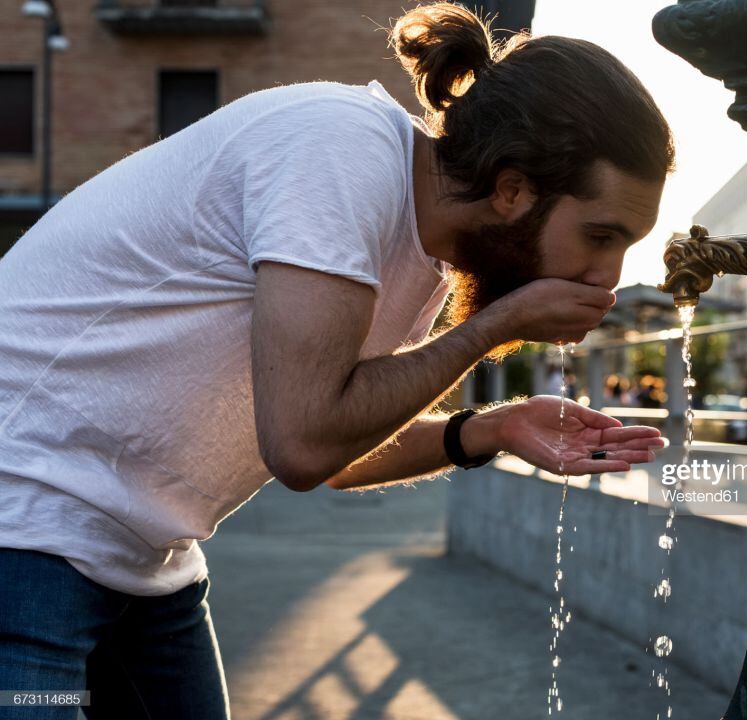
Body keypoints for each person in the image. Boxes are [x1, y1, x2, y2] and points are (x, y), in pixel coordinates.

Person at [0, 3, 674, 718]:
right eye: (601, 235)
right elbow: (302, 441)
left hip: (142, 558)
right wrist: (492, 327)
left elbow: (338, 452)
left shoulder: (422, 251)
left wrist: (492, 429)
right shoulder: (340, 151)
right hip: (23, 525)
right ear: (512, 190)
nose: (607, 274)